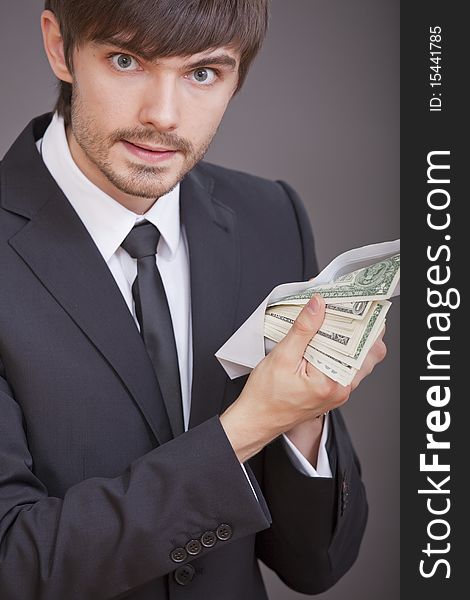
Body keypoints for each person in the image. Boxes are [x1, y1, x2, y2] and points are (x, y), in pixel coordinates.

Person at [0, 1, 387, 598]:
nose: (164, 115)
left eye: (203, 73)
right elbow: (13, 563)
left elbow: (317, 565)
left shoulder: (271, 218)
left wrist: (305, 419)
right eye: (126, 60)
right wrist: (253, 424)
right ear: (60, 47)